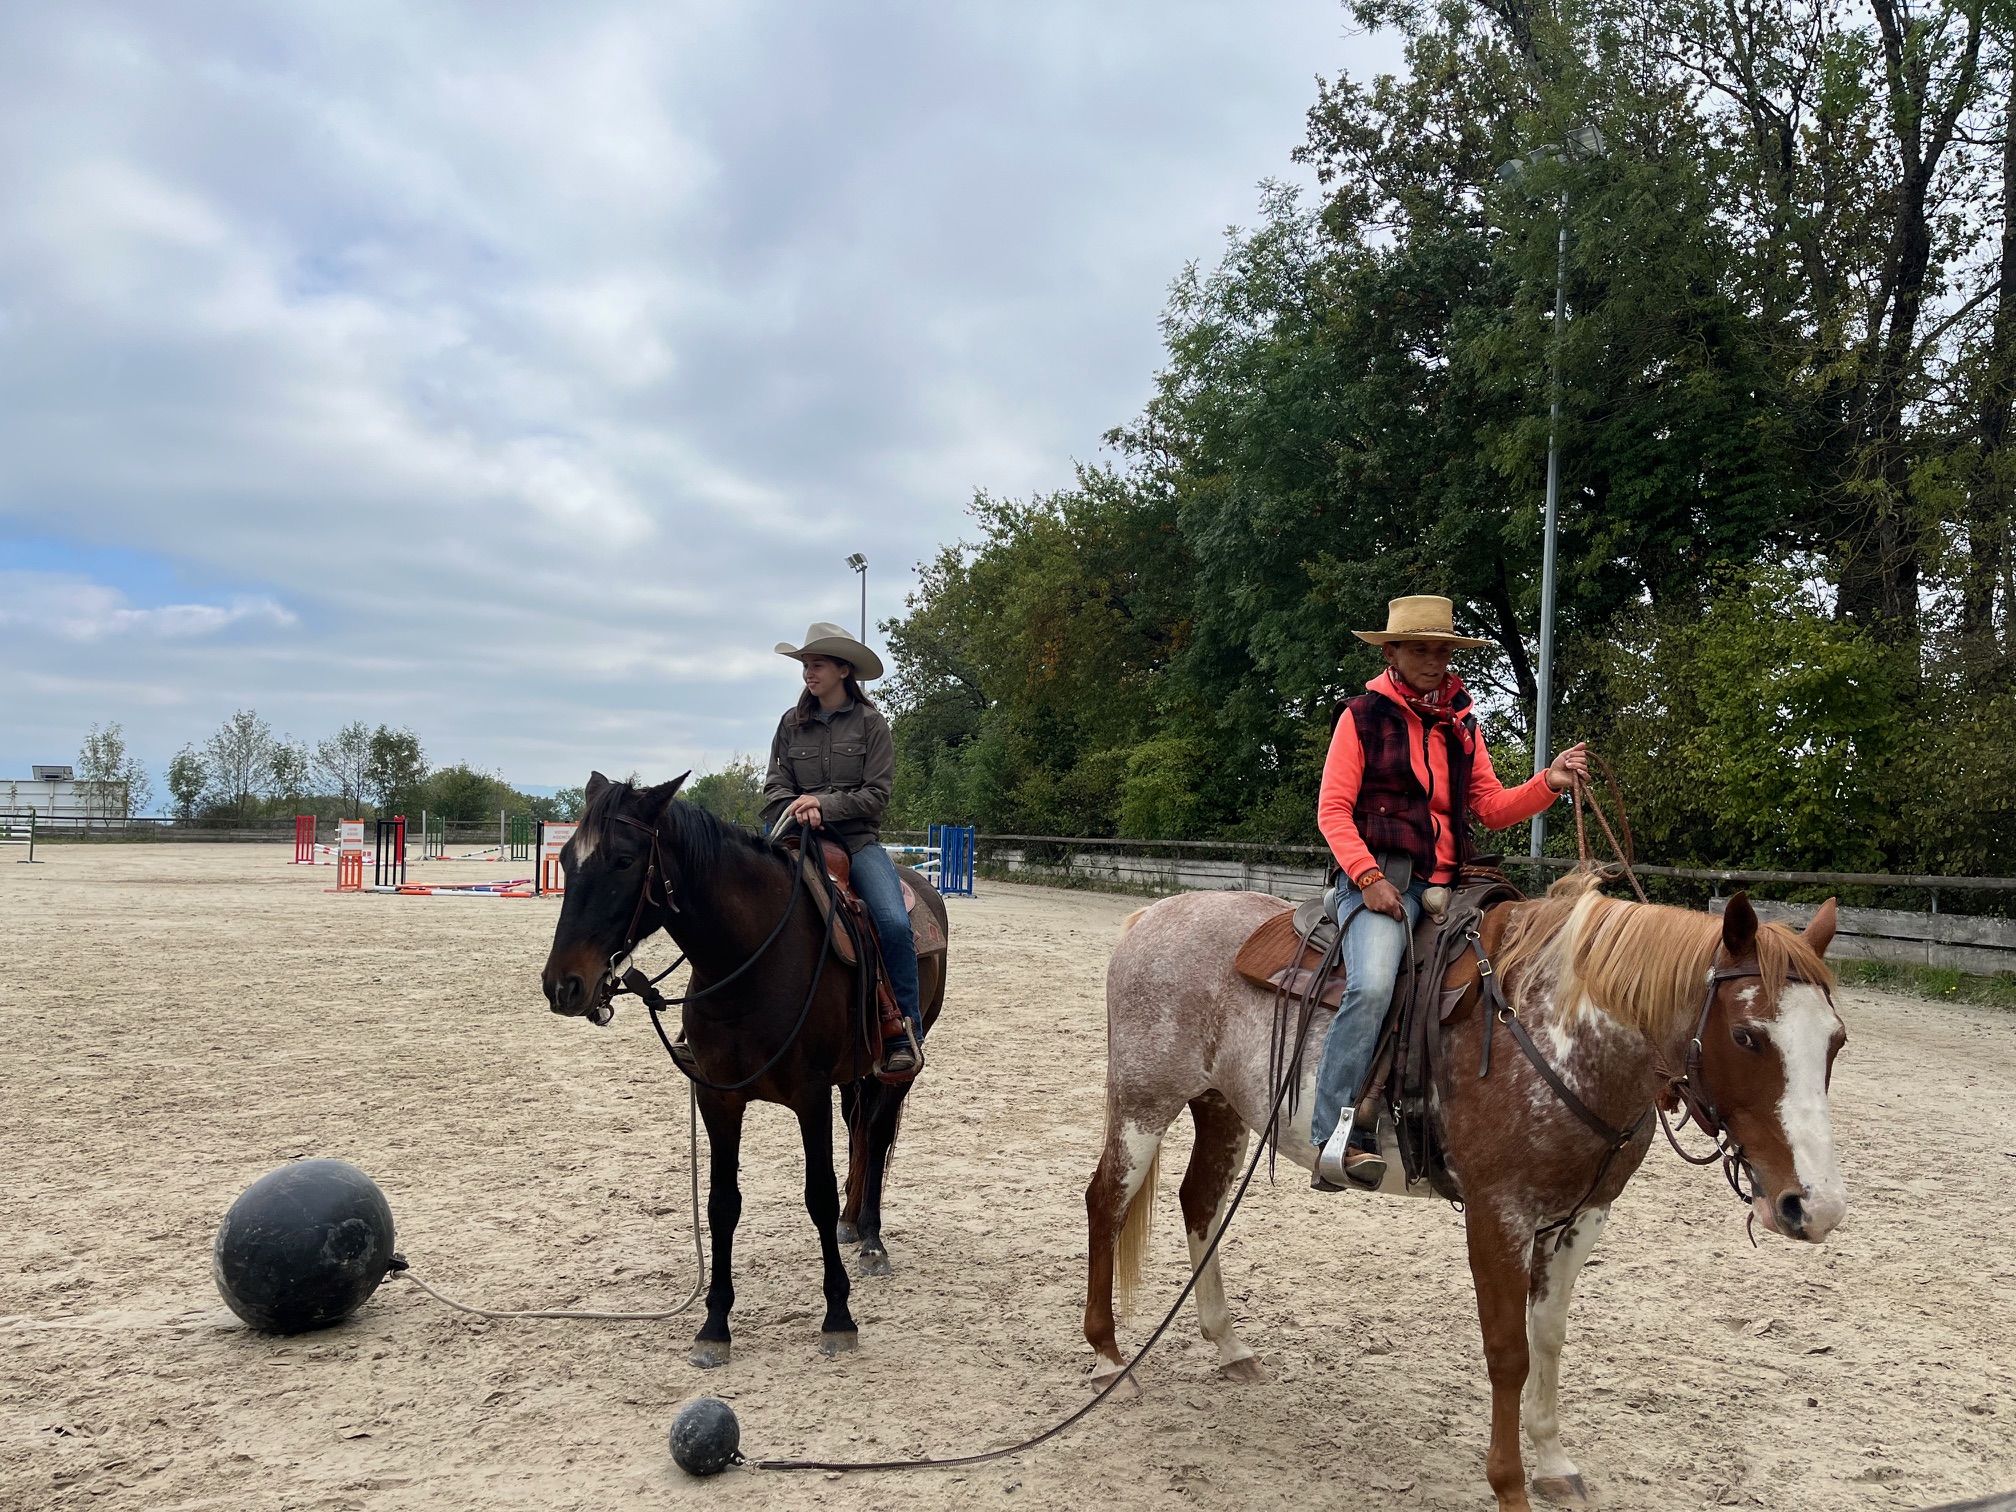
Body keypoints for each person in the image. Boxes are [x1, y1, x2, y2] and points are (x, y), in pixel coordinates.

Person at [1310, 595, 1589, 1190]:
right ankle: (1334, 1131)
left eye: (1442, 649)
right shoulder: (1360, 718)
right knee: (1374, 983)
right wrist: (1367, 879)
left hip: (1453, 884)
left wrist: (1548, 781)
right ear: (1392, 652)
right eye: (1420, 649)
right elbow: (1333, 811)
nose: (1434, 660)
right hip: (1381, 880)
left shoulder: (1461, 724)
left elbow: (1489, 806)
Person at [761, 621, 923, 1075]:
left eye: (816, 665)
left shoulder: (872, 725)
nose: (808, 674)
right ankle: (703, 1025)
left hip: (855, 843)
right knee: (740, 901)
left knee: (891, 921)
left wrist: (825, 805)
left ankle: (901, 1028)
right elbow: (774, 787)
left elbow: (876, 795)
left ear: (843, 669)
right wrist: (796, 808)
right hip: (797, 837)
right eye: (806, 666)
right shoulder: (789, 725)